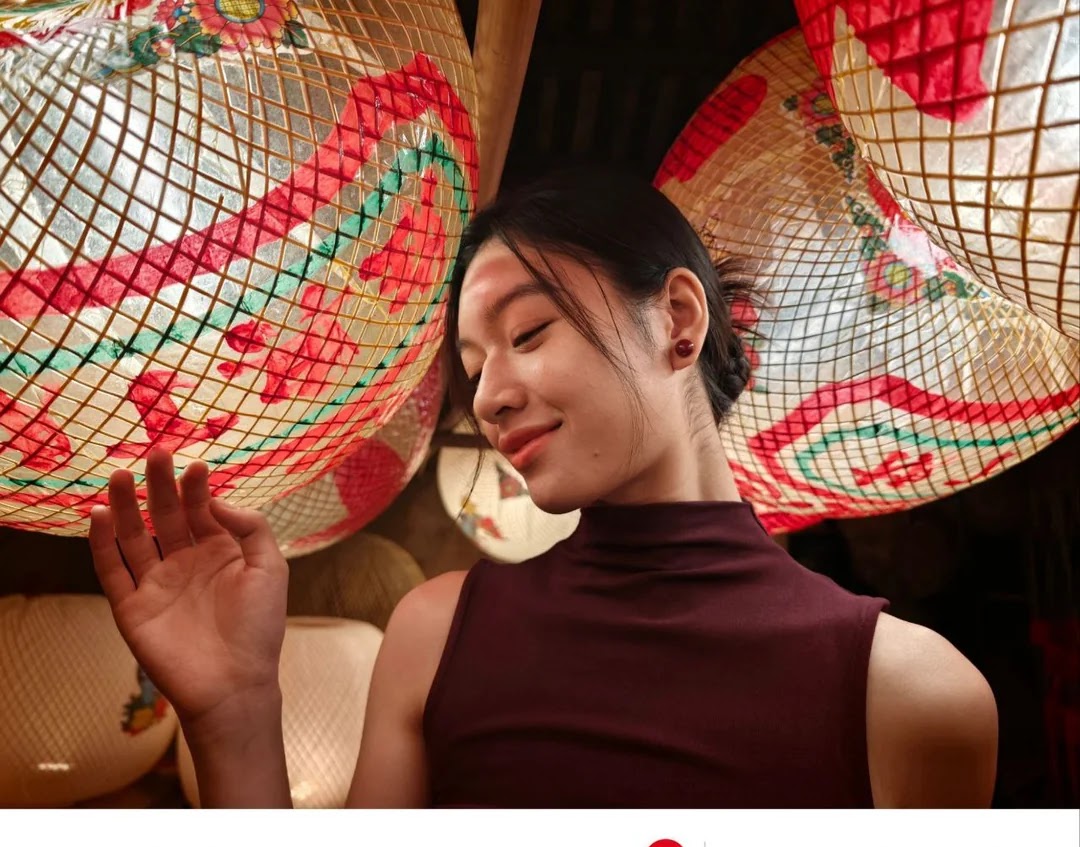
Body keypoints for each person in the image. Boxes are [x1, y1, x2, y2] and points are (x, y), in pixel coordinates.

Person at [89, 169, 998, 809]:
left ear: (678, 321)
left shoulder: (912, 694)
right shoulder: (436, 634)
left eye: (526, 334)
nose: (487, 397)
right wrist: (236, 711)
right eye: (473, 364)